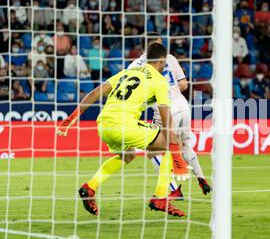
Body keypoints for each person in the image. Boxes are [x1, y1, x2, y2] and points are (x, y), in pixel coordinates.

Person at [56, 43, 191, 217]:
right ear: (162, 61)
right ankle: (160, 196)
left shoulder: (126, 73)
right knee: (169, 144)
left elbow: (96, 92)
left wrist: (71, 117)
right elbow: (166, 116)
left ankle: (90, 187)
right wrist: (174, 148)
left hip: (103, 125)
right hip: (124, 125)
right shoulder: (159, 80)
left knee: (128, 155)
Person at [128, 33, 211, 199]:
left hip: (165, 110)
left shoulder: (134, 66)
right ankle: (201, 178)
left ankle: (174, 189)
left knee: (152, 150)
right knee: (185, 144)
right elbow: (184, 84)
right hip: (183, 106)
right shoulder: (170, 58)